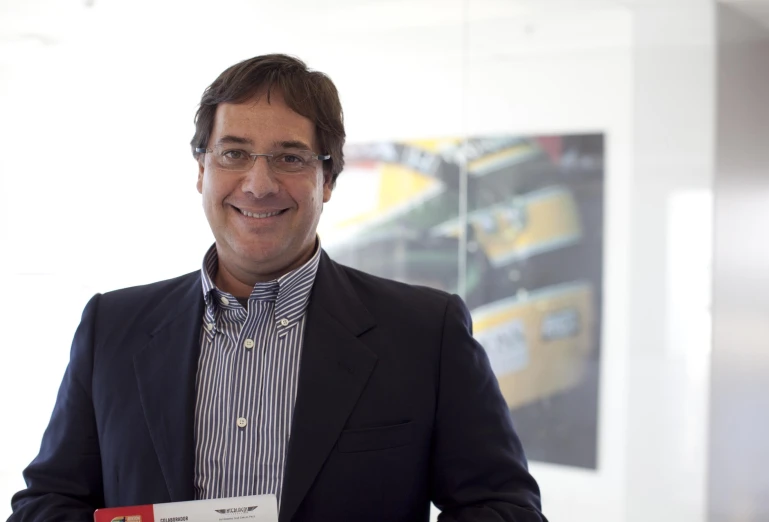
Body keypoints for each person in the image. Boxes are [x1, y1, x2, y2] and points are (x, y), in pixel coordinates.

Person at [9, 54, 547, 522]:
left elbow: (504, 508)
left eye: (290, 157)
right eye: (234, 153)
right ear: (201, 170)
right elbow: (49, 501)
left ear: (328, 180)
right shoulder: (113, 326)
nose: (259, 184)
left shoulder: (426, 334)